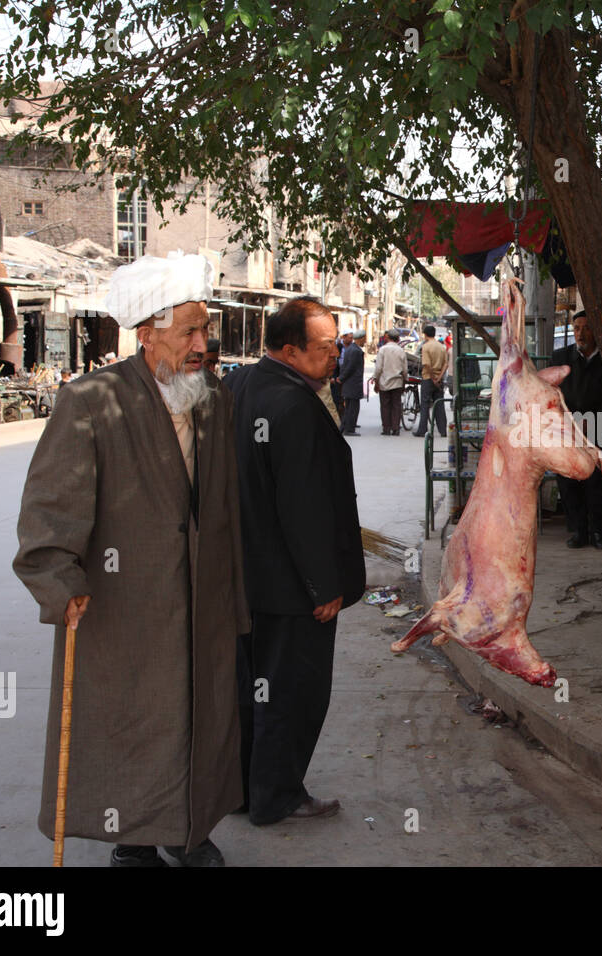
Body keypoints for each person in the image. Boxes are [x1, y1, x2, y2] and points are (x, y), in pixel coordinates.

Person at [13, 252, 247, 868]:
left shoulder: (212, 398)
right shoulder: (91, 401)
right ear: (147, 335)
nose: (203, 344)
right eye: (188, 333)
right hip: (126, 602)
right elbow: (48, 508)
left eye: (205, 330)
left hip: (202, 598)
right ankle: (135, 838)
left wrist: (234, 593)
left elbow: (222, 506)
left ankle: (188, 830)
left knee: (201, 719)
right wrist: (58, 578)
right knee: (138, 722)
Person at [224, 296, 366, 825]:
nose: (337, 356)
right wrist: (322, 585)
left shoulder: (239, 386)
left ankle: (243, 790)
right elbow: (303, 507)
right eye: (326, 348)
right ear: (290, 350)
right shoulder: (295, 407)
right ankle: (277, 795)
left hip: (246, 580)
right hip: (290, 589)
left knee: (251, 692)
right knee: (291, 695)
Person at [548, 310, 602, 549]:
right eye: (577, 328)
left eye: (586, 328)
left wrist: (593, 419)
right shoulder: (561, 357)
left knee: (595, 483)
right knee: (569, 481)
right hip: (568, 429)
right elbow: (553, 391)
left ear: (595, 331)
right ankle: (579, 532)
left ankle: (597, 533)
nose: (581, 333)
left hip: (598, 429)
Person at [413, 324, 448, 438]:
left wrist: (433, 378)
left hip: (428, 379)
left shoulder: (426, 347)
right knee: (439, 405)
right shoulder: (442, 347)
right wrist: (439, 378)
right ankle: (443, 430)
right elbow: (446, 364)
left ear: (425, 334)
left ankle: (422, 430)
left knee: (425, 404)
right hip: (439, 380)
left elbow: (427, 365)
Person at [372, 330, 407, 436]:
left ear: (387, 338)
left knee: (385, 405)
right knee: (396, 405)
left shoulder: (383, 350)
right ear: (398, 339)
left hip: (384, 382)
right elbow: (405, 369)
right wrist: (405, 380)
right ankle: (396, 428)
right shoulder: (401, 351)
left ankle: (386, 428)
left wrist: (376, 380)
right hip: (397, 382)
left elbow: (378, 368)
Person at [337, 330, 365, 436]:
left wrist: (341, 378)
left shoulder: (350, 349)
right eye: (364, 339)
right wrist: (342, 378)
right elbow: (350, 367)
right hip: (353, 383)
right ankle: (349, 429)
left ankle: (344, 427)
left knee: (349, 408)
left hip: (349, 383)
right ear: (361, 338)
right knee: (353, 408)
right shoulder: (355, 351)